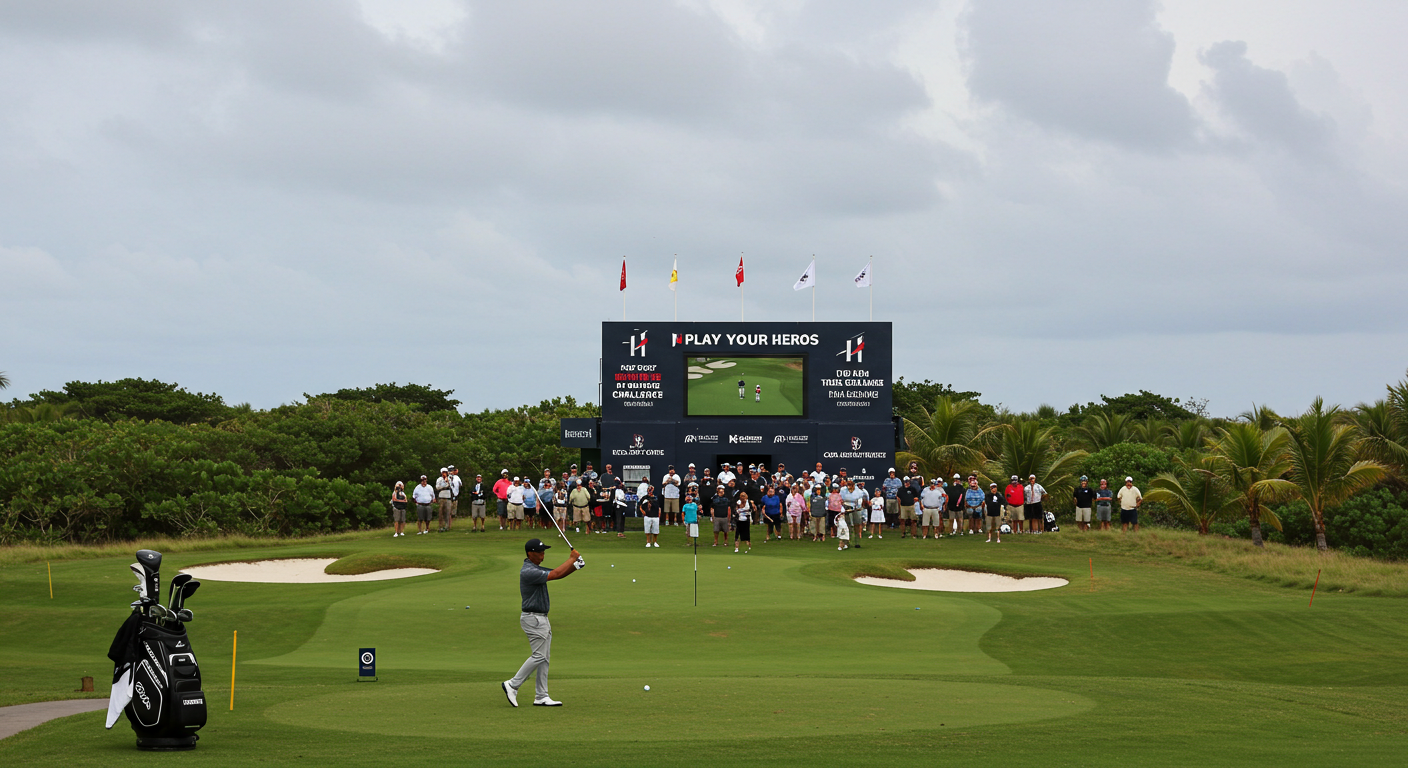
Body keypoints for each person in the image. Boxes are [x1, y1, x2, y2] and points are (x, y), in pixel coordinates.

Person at [502, 538, 582, 709]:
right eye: (540, 552)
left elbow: (559, 573)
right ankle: (513, 684)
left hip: (540, 618)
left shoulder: (535, 568)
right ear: (530, 554)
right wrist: (572, 559)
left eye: (543, 552)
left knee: (544, 658)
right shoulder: (528, 571)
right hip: (534, 619)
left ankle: (542, 696)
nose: (543, 555)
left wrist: (575, 566)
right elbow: (556, 574)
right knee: (539, 656)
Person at [435, 468, 454, 533]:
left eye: (445, 472)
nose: (444, 474)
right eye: (443, 472)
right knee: (441, 513)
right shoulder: (439, 479)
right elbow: (437, 487)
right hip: (441, 497)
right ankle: (441, 526)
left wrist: (447, 482)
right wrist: (444, 486)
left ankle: (447, 526)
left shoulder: (449, 479)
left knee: (448, 512)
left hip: (448, 497)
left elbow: (451, 486)